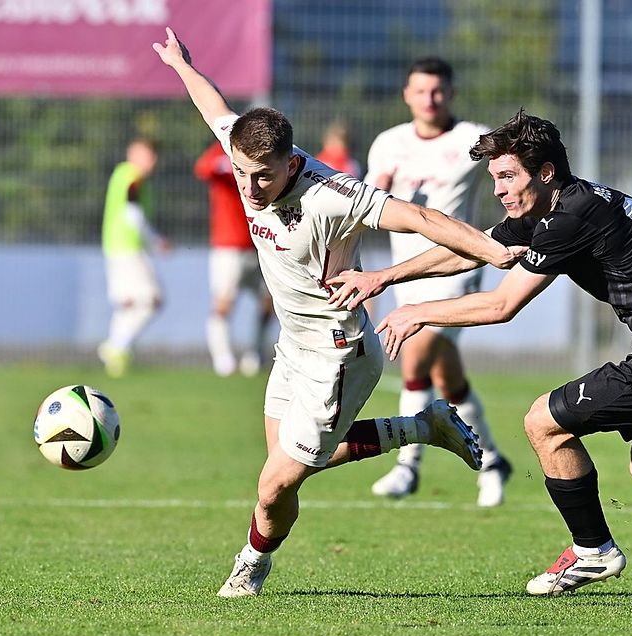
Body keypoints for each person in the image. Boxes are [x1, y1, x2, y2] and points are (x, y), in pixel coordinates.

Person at [329, 109, 632, 608]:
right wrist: (385, 277)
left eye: (507, 176)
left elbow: (501, 305)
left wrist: (419, 312)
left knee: (543, 422)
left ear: (546, 172)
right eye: (494, 178)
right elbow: (478, 248)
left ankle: (593, 550)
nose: (498, 189)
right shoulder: (564, 205)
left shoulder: (570, 219)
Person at [152, 27, 524, 598]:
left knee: (276, 484)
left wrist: (492, 250)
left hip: (339, 351)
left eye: (264, 176)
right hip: (292, 345)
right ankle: (423, 426)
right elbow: (215, 106)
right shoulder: (244, 148)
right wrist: (181, 65)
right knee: (291, 462)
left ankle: (249, 566)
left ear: (291, 163)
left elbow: (422, 220)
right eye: (243, 173)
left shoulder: (332, 194)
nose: (250, 187)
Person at [364, 56, 513, 507]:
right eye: (421, 91)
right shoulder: (388, 143)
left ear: (450, 93)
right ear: (407, 95)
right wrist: (380, 185)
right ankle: (492, 461)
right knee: (448, 379)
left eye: (438, 91)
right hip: (406, 274)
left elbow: (512, 163)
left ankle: (407, 466)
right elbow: (368, 202)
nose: (430, 99)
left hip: (455, 268)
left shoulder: (469, 139)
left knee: (415, 357)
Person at [195, 140, 274, 377]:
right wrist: (233, 165)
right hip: (228, 246)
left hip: (258, 244)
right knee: (223, 303)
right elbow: (203, 169)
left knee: (269, 302)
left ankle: (254, 354)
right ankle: (223, 360)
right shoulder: (219, 153)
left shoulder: (258, 155)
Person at [98, 137, 171, 377]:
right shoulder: (131, 175)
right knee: (152, 300)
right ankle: (115, 346)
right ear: (133, 154)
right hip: (128, 248)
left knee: (129, 303)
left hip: (117, 247)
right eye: (147, 155)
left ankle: (115, 351)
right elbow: (132, 213)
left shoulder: (129, 177)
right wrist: (155, 240)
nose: (151, 162)